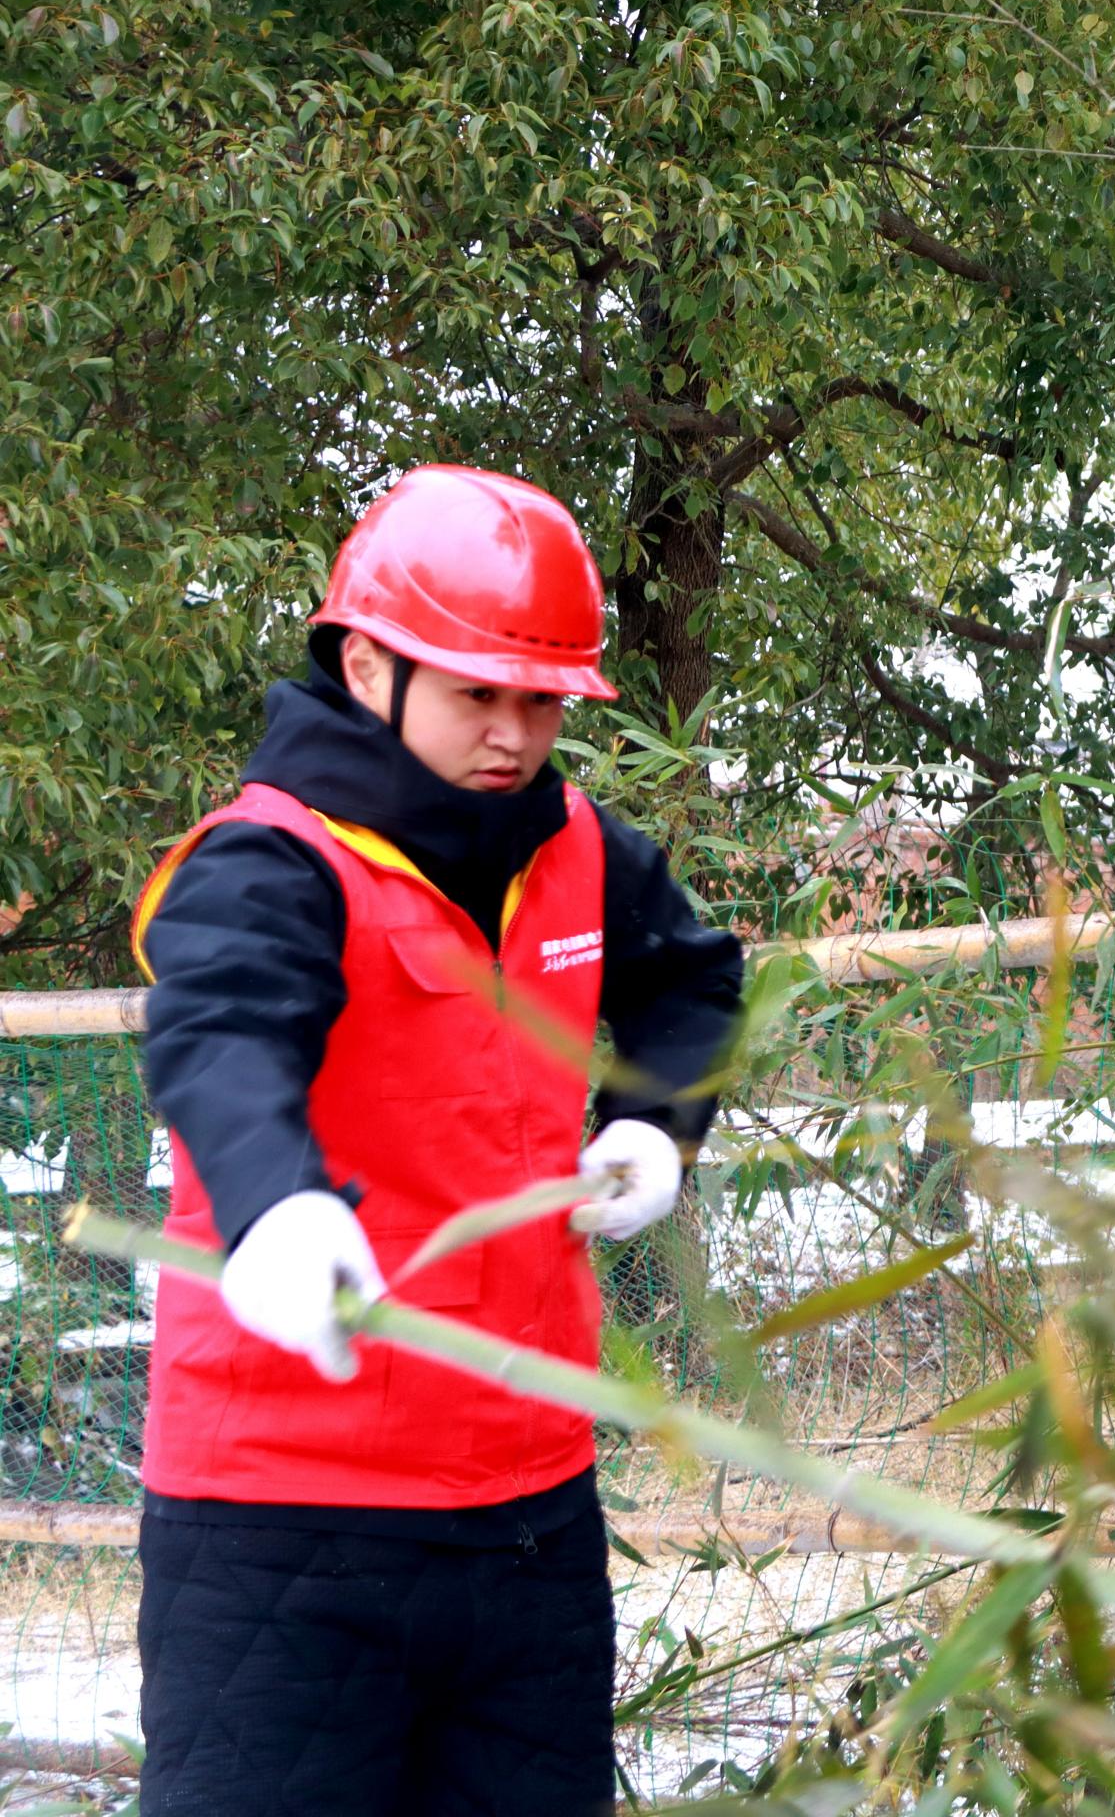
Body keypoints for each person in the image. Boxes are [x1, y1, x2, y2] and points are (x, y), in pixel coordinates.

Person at [127, 465, 745, 1816]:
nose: (514, 735)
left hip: (527, 1515)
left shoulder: (579, 846)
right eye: (479, 694)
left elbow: (694, 983)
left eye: (542, 702)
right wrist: (275, 1206)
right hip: (285, 1527)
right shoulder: (267, 860)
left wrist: (654, 1122)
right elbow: (223, 1033)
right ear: (367, 666)